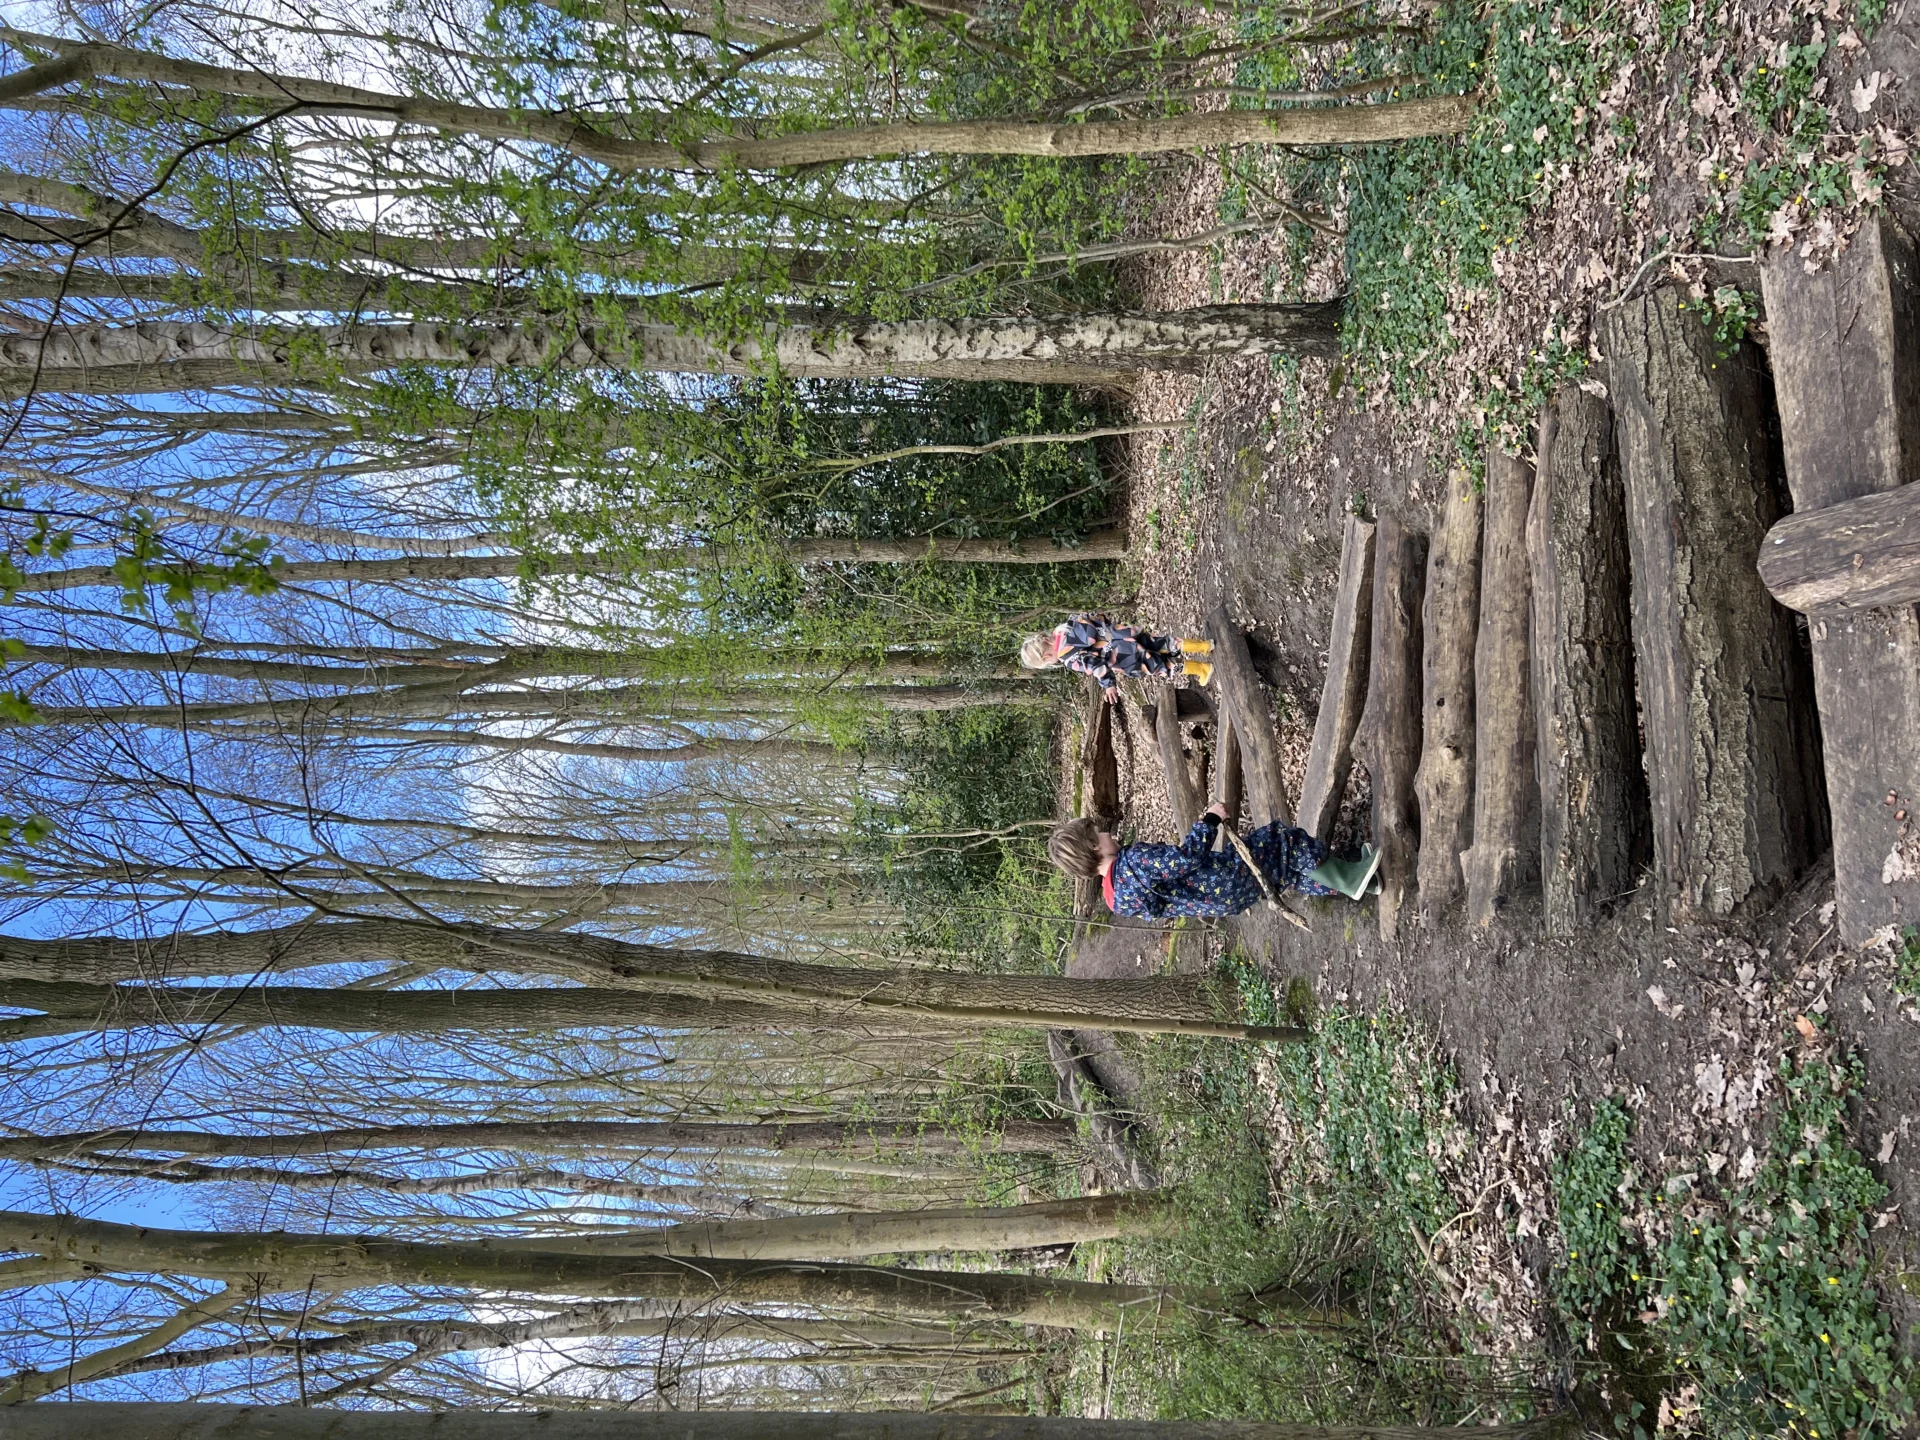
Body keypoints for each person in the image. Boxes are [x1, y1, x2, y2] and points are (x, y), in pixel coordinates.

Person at [1047, 802, 1381, 917]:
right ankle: (1351, 880)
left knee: (1283, 873)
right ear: (1095, 848)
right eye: (1099, 833)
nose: (1107, 833)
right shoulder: (1133, 862)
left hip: (1222, 903)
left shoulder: (1118, 900)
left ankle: (1364, 883)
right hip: (1226, 877)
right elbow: (1186, 858)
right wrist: (1209, 820)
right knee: (1283, 841)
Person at [1020, 613, 1212, 702]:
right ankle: (1204, 646)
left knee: (1161, 666)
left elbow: (1097, 667)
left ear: (1046, 656)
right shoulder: (1067, 626)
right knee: (1164, 643)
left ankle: (1202, 669)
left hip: (1124, 656)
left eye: (1047, 663)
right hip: (1123, 634)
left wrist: (1109, 685)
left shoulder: (1068, 657)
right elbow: (1099, 617)